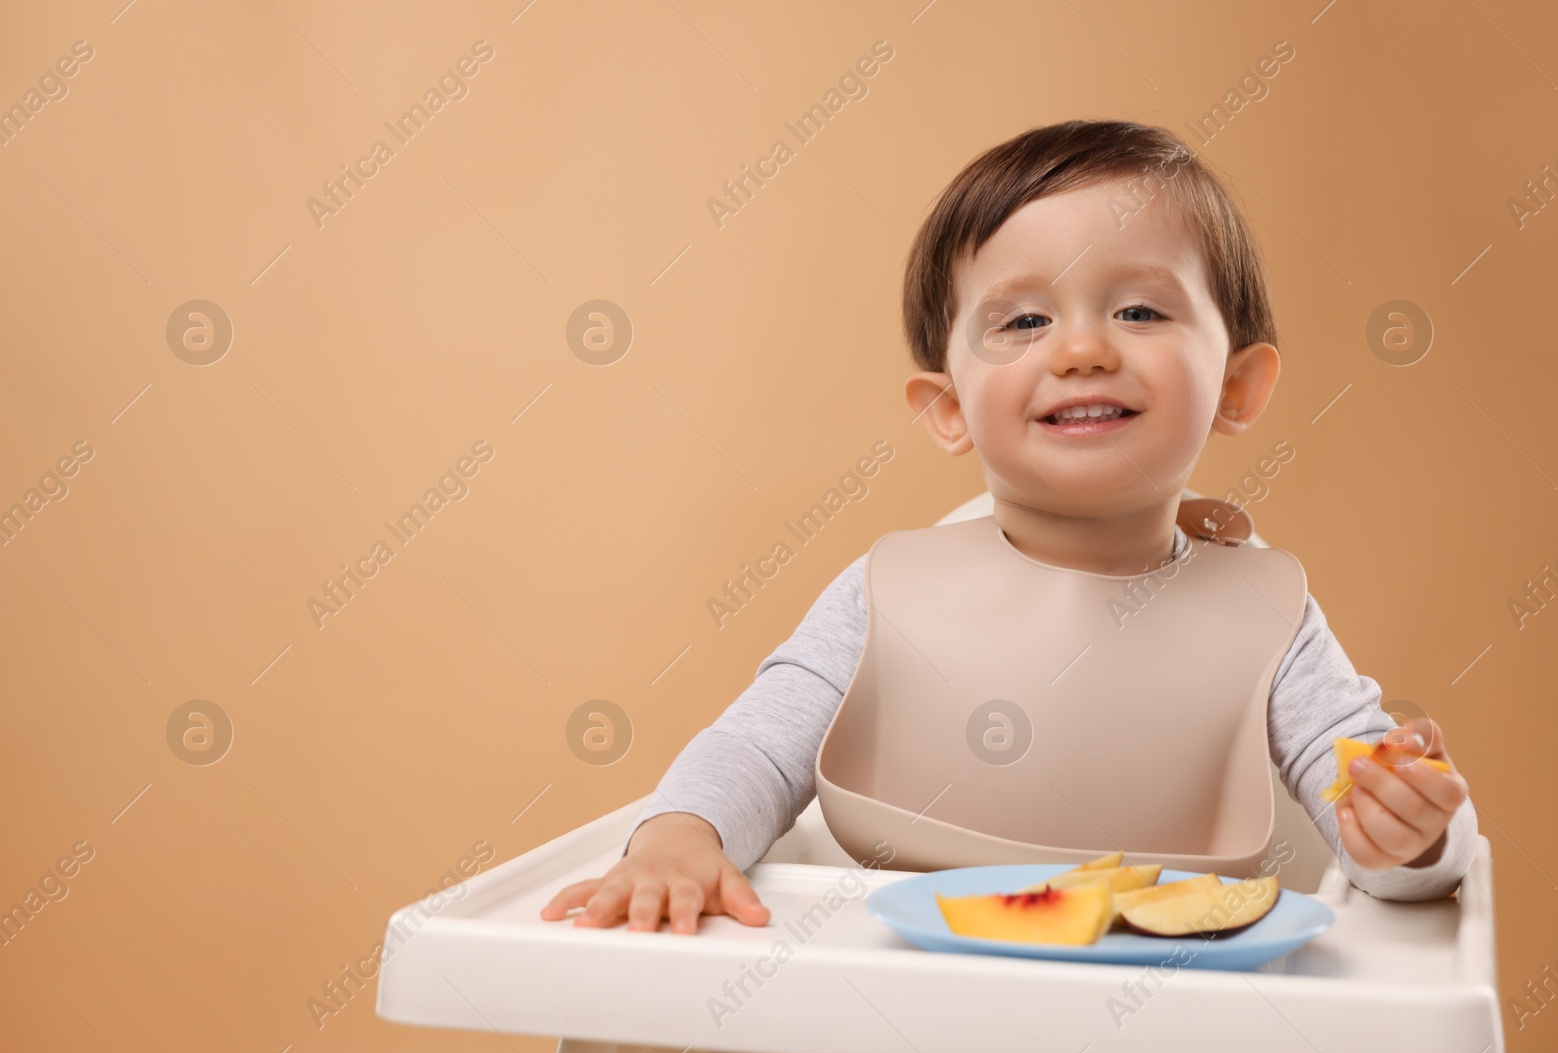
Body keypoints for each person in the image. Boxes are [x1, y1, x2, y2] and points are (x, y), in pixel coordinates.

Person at [540, 118, 1477, 935]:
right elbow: (755, 747)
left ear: (1236, 385)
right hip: (886, 1013)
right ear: (946, 409)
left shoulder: (1271, 620)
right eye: (1024, 320)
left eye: (1141, 309)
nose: (1080, 349)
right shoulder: (889, 596)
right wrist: (679, 837)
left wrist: (1411, 836)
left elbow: (1368, 818)